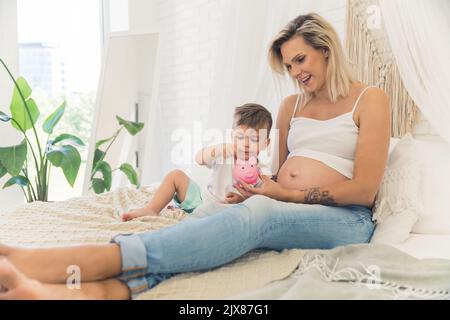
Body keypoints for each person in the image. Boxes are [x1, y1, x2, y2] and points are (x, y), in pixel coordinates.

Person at [0, 12, 390, 300]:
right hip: (280, 205)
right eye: (289, 65)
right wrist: (256, 190)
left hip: (344, 220)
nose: (295, 72)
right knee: (208, 217)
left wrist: (279, 196)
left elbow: (365, 190)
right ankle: (85, 293)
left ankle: (54, 262)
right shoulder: (291, 105)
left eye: (300, 60)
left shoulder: (369, 99)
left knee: (259, 215)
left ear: (325, 50)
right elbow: (277, 171)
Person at [121, 103, 272, 221]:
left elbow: (261, 200)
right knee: (176, 175)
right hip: (202, 200)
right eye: (240, 137)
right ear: (232, 137)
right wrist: (218, 149)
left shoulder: (262, 172)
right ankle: (152, 208)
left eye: (255, 139)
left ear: (266, 143)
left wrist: (243, 199)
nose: (245, 144)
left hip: (226, 211)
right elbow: (199, 159)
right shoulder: (225, 154)